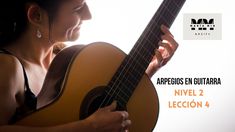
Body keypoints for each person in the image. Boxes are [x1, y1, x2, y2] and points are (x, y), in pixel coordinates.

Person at [0, 0, 178, 131]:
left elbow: (97, 110)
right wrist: (88, 127)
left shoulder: (66, 60)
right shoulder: (8, 67)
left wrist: (147, 70)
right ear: (36, 15)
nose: (89, 15)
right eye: (78, 8)